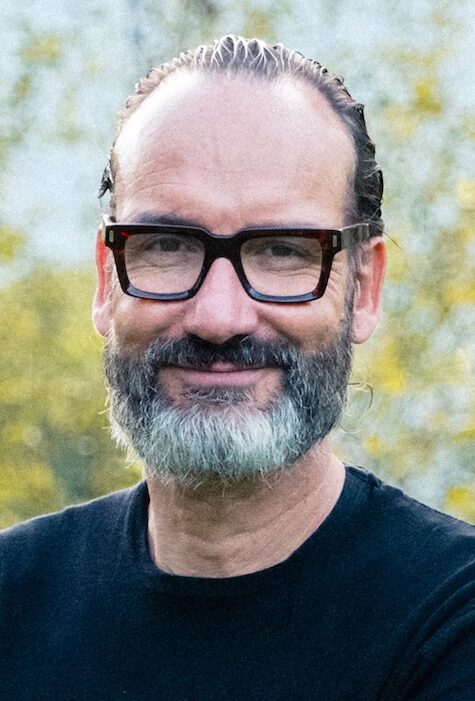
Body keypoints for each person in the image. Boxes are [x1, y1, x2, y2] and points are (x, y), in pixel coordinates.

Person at [0, 35, 473, 701]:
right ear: (107, 282)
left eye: (281, 250)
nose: (218, 316)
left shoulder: (450, 625)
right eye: (166, 245)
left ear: (362, 288)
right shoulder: (12, 602)